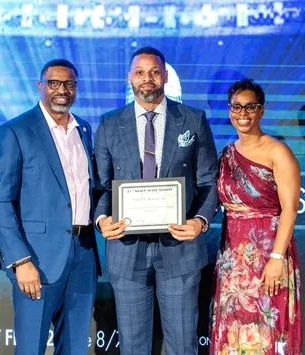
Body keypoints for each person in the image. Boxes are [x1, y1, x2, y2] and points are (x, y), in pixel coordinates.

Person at [94, 47, 218, 355]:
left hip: (180, 248)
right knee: (133, 346)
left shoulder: (193, 119)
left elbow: (208, 181)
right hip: (126, 248)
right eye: (140, 72)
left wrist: (200, 222)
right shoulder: (109, 123)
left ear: (164, 76)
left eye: (153, 72)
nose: (147, 79)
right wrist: (101, 220)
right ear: (130, 78)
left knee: (182, 344)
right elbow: (100, 185)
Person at [0, 58, 101, 354]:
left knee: (75, 347)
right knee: (30, 348)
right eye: (54, 83)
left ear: (76, 89)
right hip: (36, 259)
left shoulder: (84, 130)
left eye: (69, 84)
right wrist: (20, 260)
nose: (62, 90)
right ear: (40, 86)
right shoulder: (15, 131)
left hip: (84, 253)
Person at [210, 79, 302, 354]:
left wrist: (276, 259)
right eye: (236, 107)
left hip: (268, 255)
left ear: (261, 110)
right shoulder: (226, 154)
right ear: (229, 110)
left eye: (250, 107)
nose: (243, 114)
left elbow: (289, 209)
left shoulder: (278, 151)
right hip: (232, 259)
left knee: (267, 330)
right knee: (233, 332)